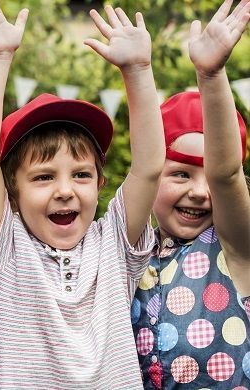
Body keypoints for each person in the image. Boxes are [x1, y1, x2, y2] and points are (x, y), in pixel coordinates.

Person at [0, 0, 165, 387]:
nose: (65, 191)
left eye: (81, 175)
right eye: (43, 178)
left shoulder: (115, 245)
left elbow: (149, 166)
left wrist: (138, 71)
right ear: (12, 192)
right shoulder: (6, 249)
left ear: (100, 184)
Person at [132, 0, 250, 387]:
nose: (200, 192)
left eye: (209, 179)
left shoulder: (234, 247)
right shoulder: (127, 254)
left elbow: (228, 174)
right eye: (181, 174)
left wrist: (211, 75)